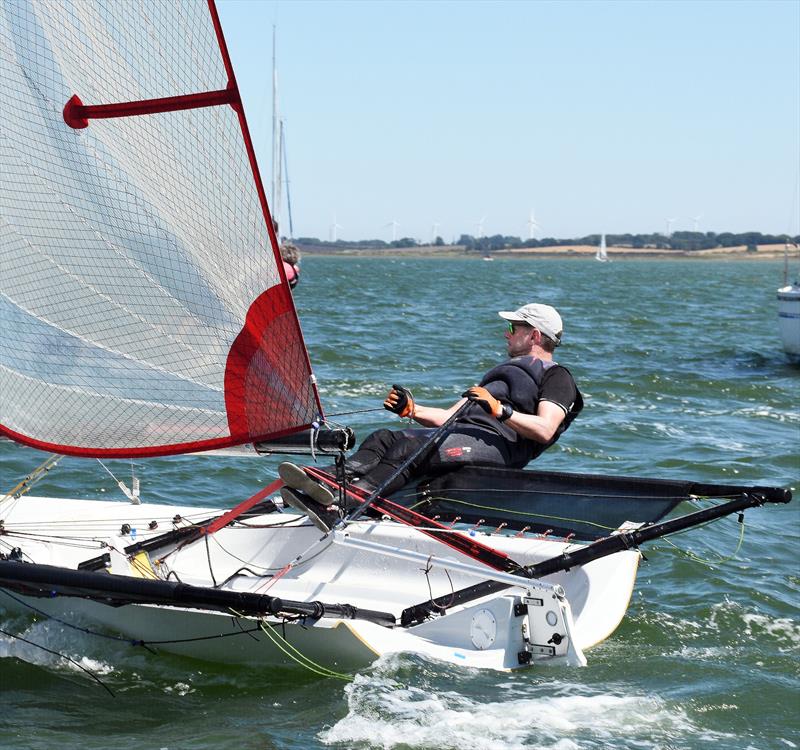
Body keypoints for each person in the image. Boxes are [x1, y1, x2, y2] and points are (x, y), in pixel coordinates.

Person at [280, 302, 583, 530]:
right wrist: (412, 410)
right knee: (386, 437)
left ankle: (342, 506)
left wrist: (500, 410)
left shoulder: (558, 377)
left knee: (409, 449)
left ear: (533, 335)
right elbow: (448, 418)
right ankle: (328, 483)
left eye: (514, 329)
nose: (506, 334)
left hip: (500, 447)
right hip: (465, 435)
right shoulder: (501, 373)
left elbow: (545, 429)